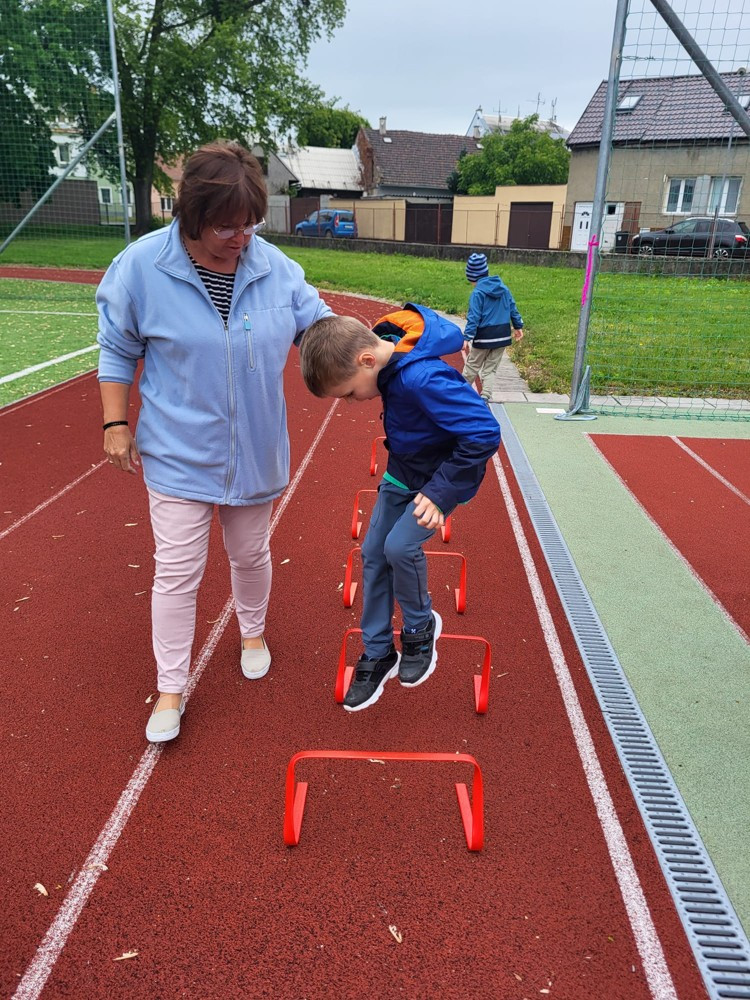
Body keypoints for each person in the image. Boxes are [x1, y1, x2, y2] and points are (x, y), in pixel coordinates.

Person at [96, 140, 331, 743]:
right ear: (192, 216)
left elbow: (321, 330)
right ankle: (170, 687)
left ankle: (251, 633)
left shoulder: (274, 268)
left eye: (251, 224)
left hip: (254, 451)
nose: (241, 238)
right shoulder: (142, 267)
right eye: (227, 226)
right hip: (178, 452)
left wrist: (384, 348)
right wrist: (115, 424)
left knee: (250, 554)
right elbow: (118, 348)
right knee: (177, 571)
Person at [299, 304, 500, 712]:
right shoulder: (386, 359)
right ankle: (378, 651)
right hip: (403, 472)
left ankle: (420, 628)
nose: (351, 402)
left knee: (399, 547)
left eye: (349, 393)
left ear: (366, 360)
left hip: (440, 480)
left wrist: (440, 493)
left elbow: (484, 431)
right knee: (373, 552)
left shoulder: (422, 378)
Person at [462, 252, 524, 403]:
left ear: (471, 277)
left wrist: (467, 337)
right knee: (490, 369)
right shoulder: (503, 288)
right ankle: (485, 396)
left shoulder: (477, 293)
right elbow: (512, 307)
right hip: (502, 335)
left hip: (484, 336)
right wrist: (518, 326)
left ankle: (460, 392)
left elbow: (474, 317)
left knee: (472, 366)